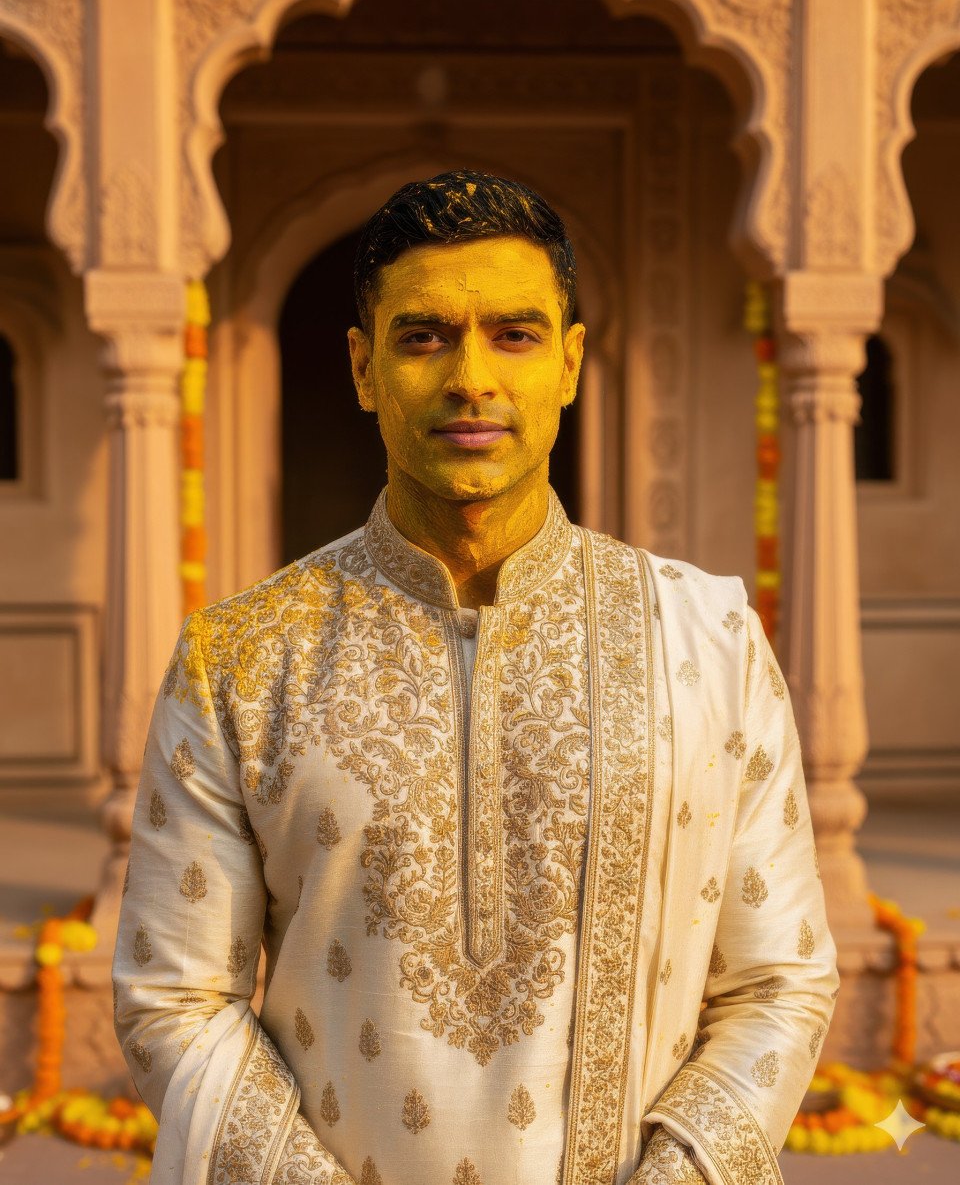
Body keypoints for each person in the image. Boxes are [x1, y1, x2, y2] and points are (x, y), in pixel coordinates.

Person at [113, 170, 839, 1185]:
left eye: (514, 334)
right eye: (423, 337)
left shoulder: (708, 640)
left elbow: (779, 979)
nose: (472, 378)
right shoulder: (241, 657)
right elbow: (175, 996)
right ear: (364, 369)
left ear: (571, 364)